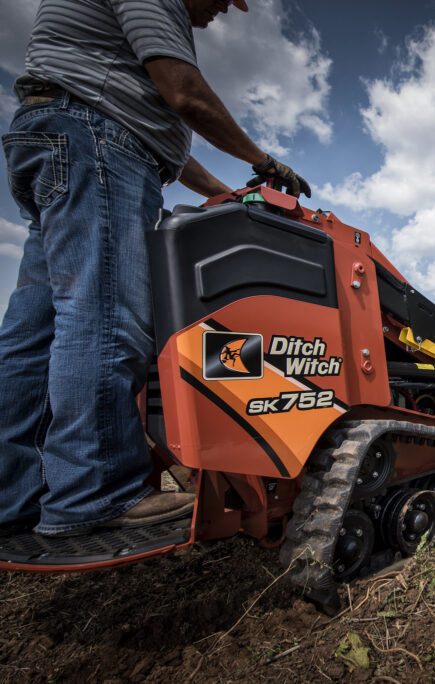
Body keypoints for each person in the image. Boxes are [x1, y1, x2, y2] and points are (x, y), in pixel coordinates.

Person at [0, 0, 310, 537]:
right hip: (93, 146)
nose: (221, 11)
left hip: (61, 138)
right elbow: (184, 94)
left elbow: (158, 137)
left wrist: (231, 195)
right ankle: (92, 494)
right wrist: (264, 164)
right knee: (103, 318)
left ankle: (15, 498)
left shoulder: (108, 77)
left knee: (34, 332)